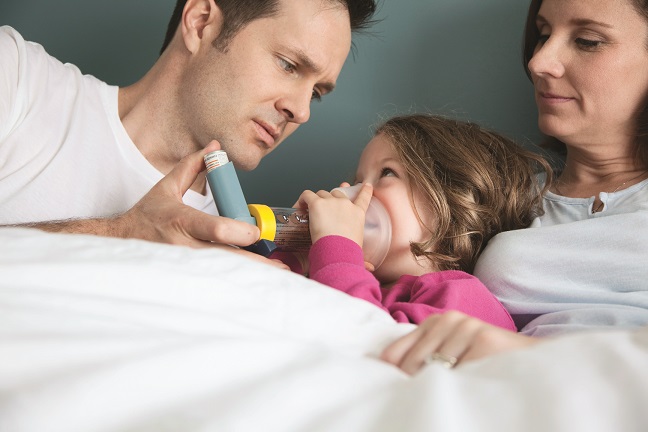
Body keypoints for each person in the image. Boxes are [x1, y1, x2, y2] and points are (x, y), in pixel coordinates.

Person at [381, 0, 648, 374]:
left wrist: (526, 356)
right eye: (542, 35)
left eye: (587, 40)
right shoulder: (498, 197)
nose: (539, 62)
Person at [0, 0, 377, 253]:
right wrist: (123, 233)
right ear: (200, 24)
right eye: (288, 65)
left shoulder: (234, 246)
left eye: (317, 94)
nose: (301, 112)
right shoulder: (18, 79)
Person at [290, 114, 552, 334]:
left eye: (387, 173)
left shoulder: (464, 298)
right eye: (359, 179)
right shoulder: (342, 274)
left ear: (453, 199)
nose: (358, 192)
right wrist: (297, 255)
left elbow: (367, 343)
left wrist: (338, 250)